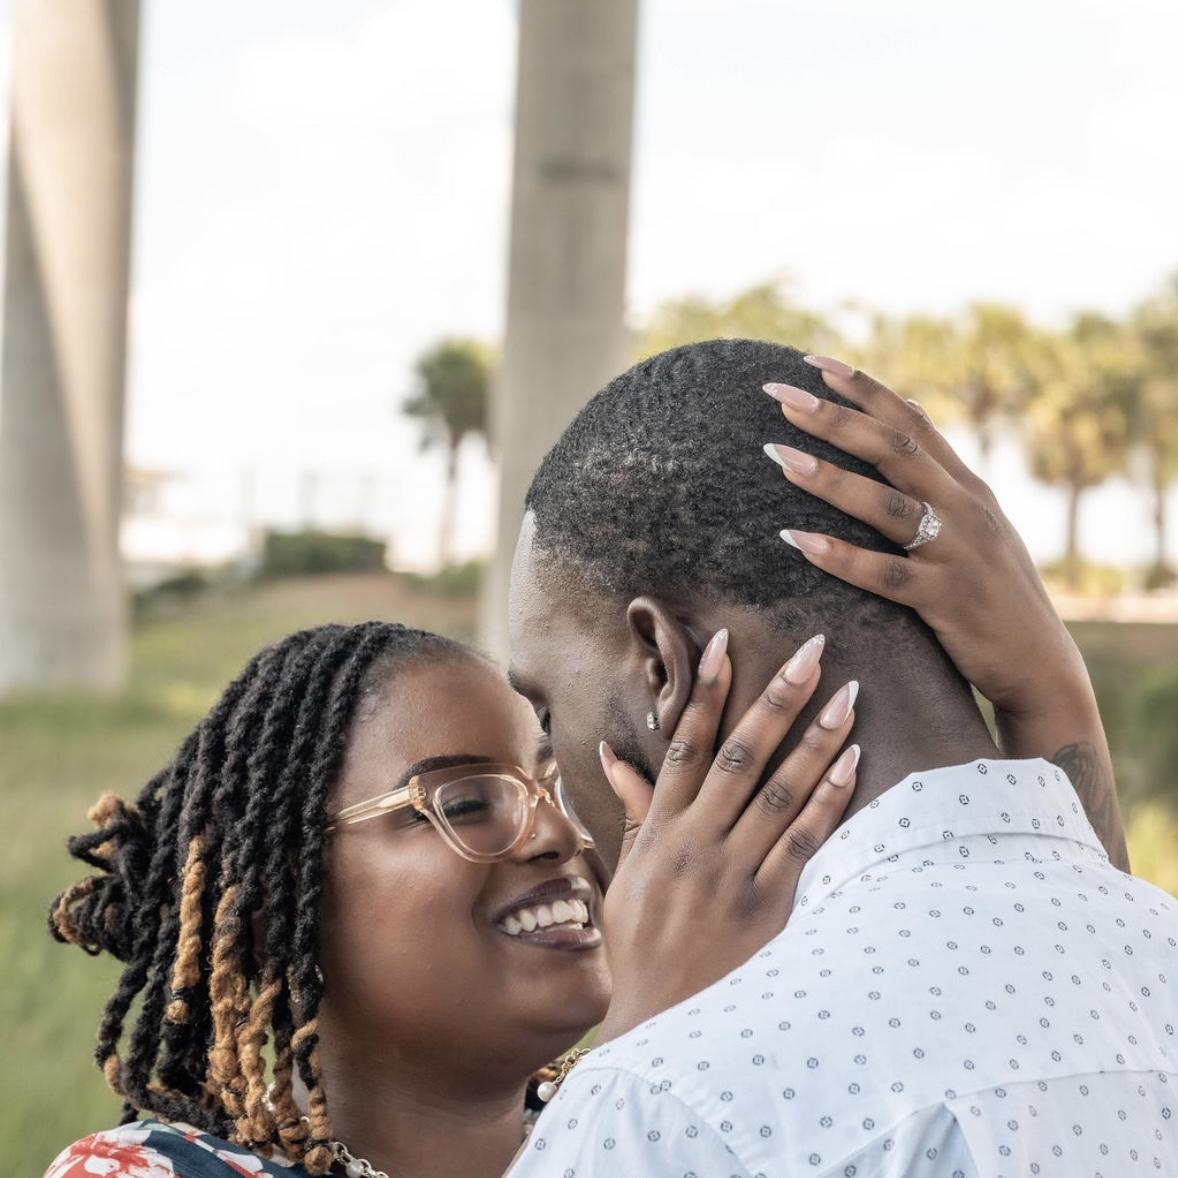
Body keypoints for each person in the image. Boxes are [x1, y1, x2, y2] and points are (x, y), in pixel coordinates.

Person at [506, 339, 1178, 1176]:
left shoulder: (660, 1104)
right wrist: (1051, 691)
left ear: (663, 667)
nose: (553, 790)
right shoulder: (1148, 962)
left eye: (547, 711)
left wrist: (628, 1064)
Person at [43, 619, 861, 1178]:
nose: (558, 834)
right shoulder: (142, 1172)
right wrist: (638, 1056)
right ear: (267, 905)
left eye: (559, 789)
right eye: (466, 803)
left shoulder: (708, 1129)